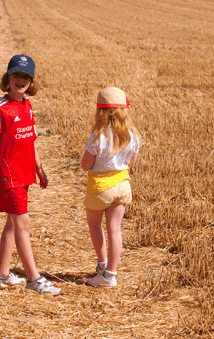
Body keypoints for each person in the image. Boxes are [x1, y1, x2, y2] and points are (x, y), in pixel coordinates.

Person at [0, 55, 62, 296]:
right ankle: (34, 279)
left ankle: (2, 275)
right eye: (16, 75)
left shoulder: (27, 105)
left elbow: (31, 140)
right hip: (8, 174)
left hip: (25, 173)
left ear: (31, 81)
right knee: (22, 223)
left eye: (25, 76)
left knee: (12, 223)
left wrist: (38, 168)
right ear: (8, 78)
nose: (20, 80)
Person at [80, 87, 141, 288]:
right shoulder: (133, 135)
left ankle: (102, 265)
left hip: (100, 187)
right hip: (122, 185)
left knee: (95, 225)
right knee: (115, 229)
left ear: (101, 111)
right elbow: (132, 162)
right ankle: (111, 275)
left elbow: (86, 164)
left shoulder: (99, 135)